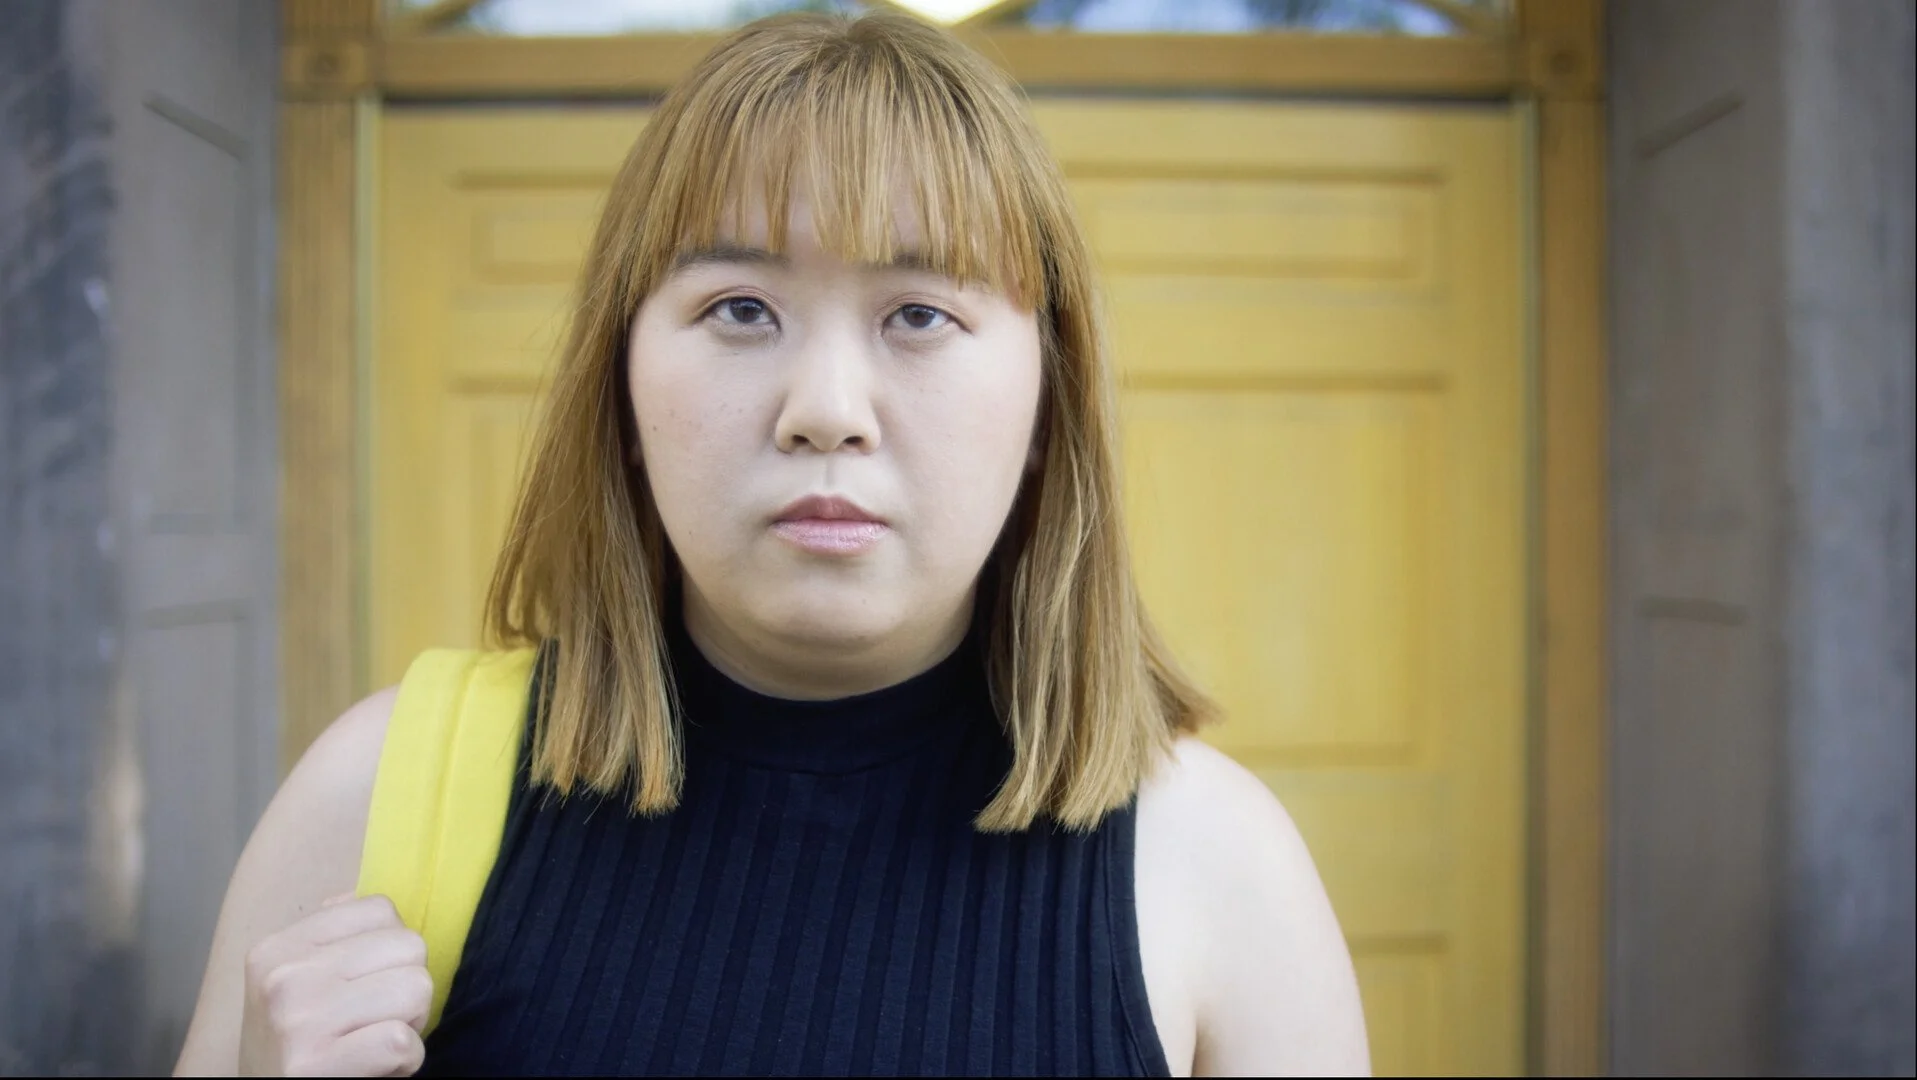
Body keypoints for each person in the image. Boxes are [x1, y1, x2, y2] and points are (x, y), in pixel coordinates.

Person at [173, 11, 1368, 1077]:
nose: (827, 408)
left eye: (920, 314)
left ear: (1051, 402)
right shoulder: (372, 800)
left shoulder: (1219, 869)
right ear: (621, 392)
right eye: (740, 310)